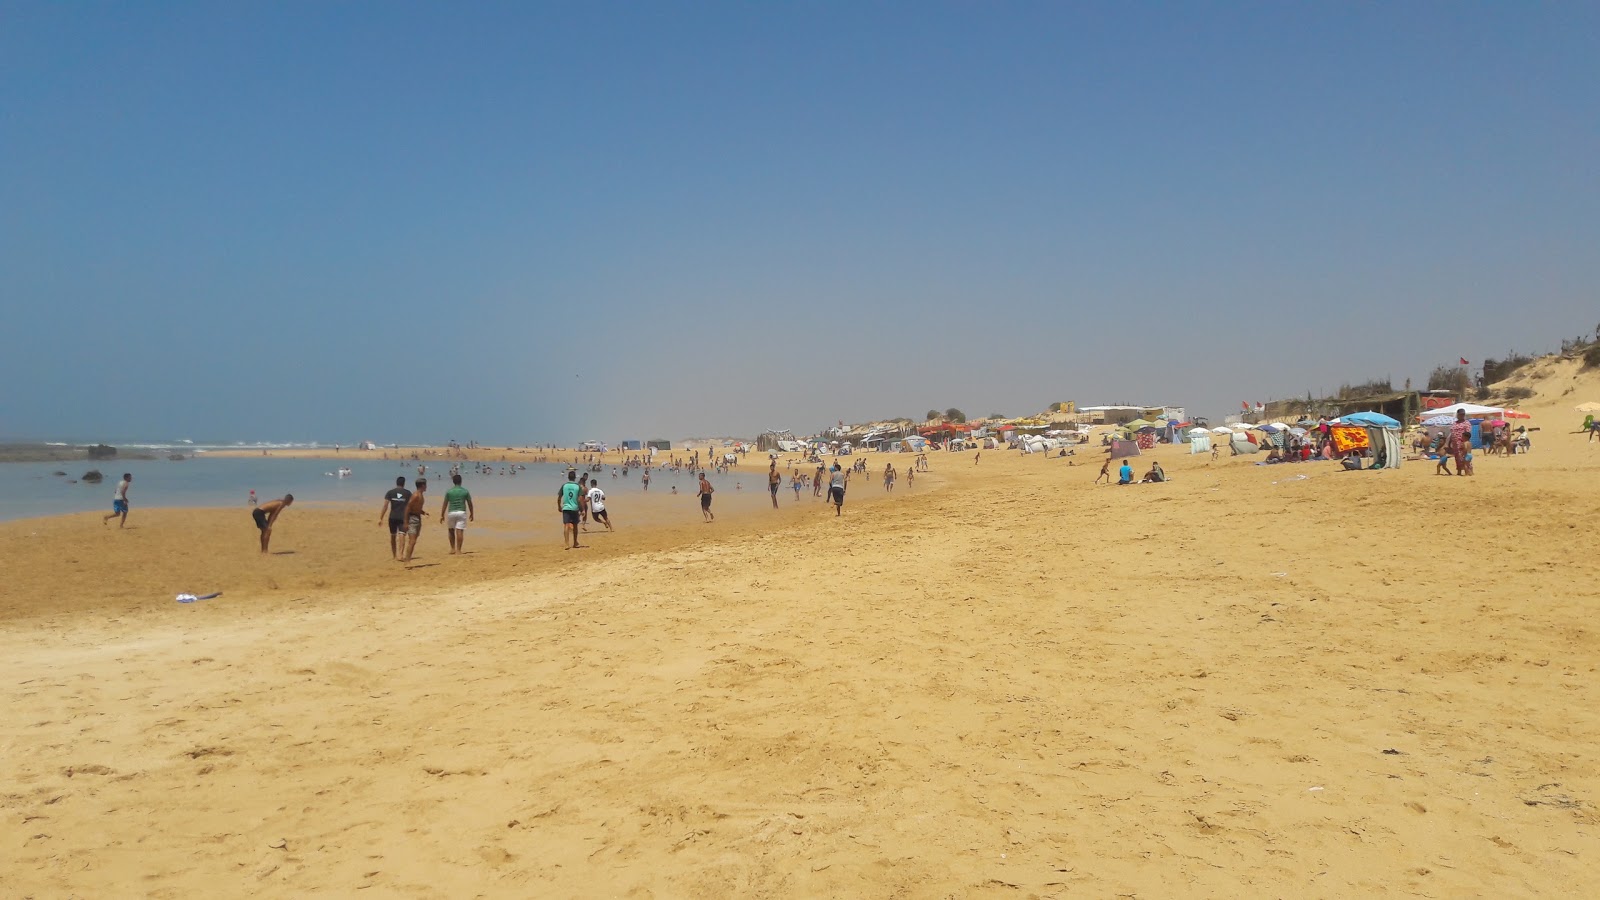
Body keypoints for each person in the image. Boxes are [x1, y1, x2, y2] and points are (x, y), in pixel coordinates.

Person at [439, 474, 474, 554]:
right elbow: (470, 503)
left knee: (451, 530)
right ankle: (458, 550)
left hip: (451, 512)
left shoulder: (449, 491)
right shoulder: (465, 491)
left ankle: (452, 548)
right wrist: (472, 513)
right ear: (461, 481)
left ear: (453, 482)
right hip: (461, 512)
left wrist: (442, 515)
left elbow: (445, 504)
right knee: (460, 531)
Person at [379, 477, 411, 560]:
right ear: (404, 483)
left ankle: (394, 555)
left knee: (393, 536)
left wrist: (381, 518)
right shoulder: (408, 493)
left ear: (396, 483)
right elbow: (411, 506)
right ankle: (400, 554)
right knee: (402, 535)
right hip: (403, 517)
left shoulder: (390, 492)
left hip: (392, 517)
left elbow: (385, 506)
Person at [400, 479, 428, 562]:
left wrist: (423, 512)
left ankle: (407, 559)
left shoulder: (420, 495)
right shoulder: (416, 495)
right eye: (425, 485)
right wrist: (405, 522)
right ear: (422, 485)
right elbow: (408, 507)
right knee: (412, 541)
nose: (426, 486)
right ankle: (407, 561)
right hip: (412, 519)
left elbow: (416, 507)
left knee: (414, 541)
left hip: (417, 518)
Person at [559, 470, 584, 548]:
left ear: (568, 477)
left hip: (566, 508)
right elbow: (580, 499)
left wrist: (559, 506)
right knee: (575, 525)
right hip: (574, 508)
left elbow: (559, 497)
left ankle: (567, 543)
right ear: (575, 477)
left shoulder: (564, 486)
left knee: (566, 525)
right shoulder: (577, 486)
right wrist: (582, 509)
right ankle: (575, 542)